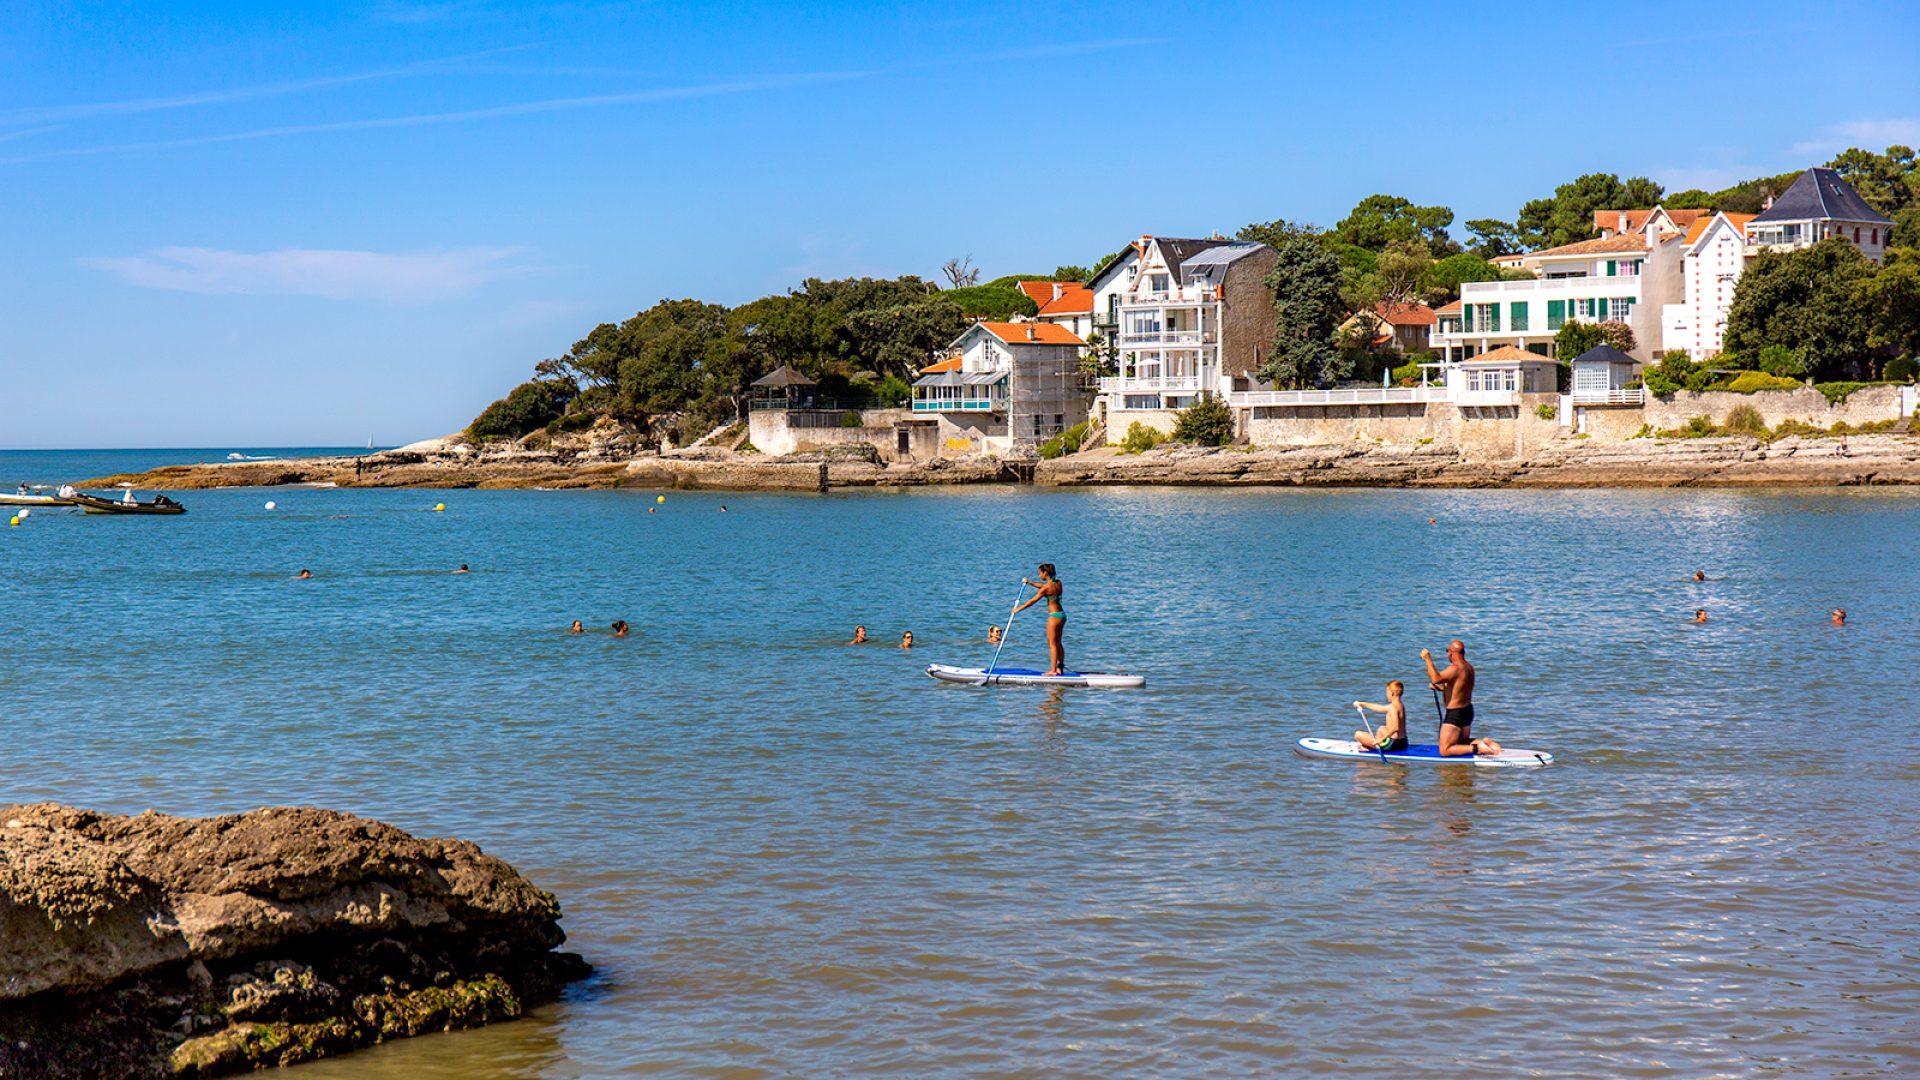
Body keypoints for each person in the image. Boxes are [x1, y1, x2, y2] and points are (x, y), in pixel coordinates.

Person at [1421, 639, 1501, 757]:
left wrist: (1428, 659)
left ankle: (1478, 748)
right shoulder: (1469, 668)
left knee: (1444, 750)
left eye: (1447, 651)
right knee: (1462, 743)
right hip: (1467, 710)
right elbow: (1459, 689)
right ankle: (1486, 744)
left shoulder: (1455, 668)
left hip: (1455, 714)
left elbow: (1435, 678)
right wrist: (1440, 688)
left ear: (1451, 652)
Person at [1012, 563, 1066, 676]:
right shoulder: (1058, 583)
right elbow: (1043, 586)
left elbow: (1032, 601)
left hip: (1053, 617)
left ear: (1045, 573)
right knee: (1058, 642)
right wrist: (1030, 583)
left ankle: (1053, 671)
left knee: (1052, 643)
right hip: (1062, 615)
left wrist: (1017, 609)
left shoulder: (1047, 588)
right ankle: (1060, 667)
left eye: (1039, 573)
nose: (1039, 575)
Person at [1353, 681, 1408, 752]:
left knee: (1358, 734)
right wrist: (1362, 704)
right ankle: (1376, 746)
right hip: (1403, 743)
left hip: (1393, 745)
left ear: (1392, 693)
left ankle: (1374, 747)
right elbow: (1379, 708)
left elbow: (1395, 727)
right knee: (1381, 729)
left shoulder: (1393, 708)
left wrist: (1381, 739)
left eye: (1387, 692)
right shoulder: (1400, 705)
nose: (1386, 694)